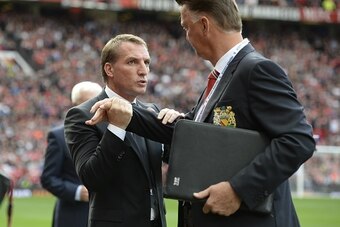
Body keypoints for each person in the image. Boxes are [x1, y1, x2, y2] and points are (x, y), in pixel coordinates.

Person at [86, 1, 316, 227]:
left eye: (187, 27)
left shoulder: (256, 70)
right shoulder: (222, 77)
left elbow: (298, 140)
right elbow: (190, 135)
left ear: (204, 25)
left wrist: (237, 189)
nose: (186, 36)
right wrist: (129, 114)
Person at [64, 34, 178, 227]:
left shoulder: (153, 112)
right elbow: (91, 178)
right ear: (109, 69)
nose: (143, 71)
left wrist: (174, 130)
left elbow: (173, 161)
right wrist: (117, 127)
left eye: (146, 62)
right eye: (132, 62)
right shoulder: (82, 114)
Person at [40, 81, 102, 227]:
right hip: (72, 217)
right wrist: (76, 191)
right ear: (75, 105)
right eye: (90, 101)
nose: (95, 106)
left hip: (107, 216)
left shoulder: (112, 132)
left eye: (98, 100)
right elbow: (48, 178)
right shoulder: (58, 136)